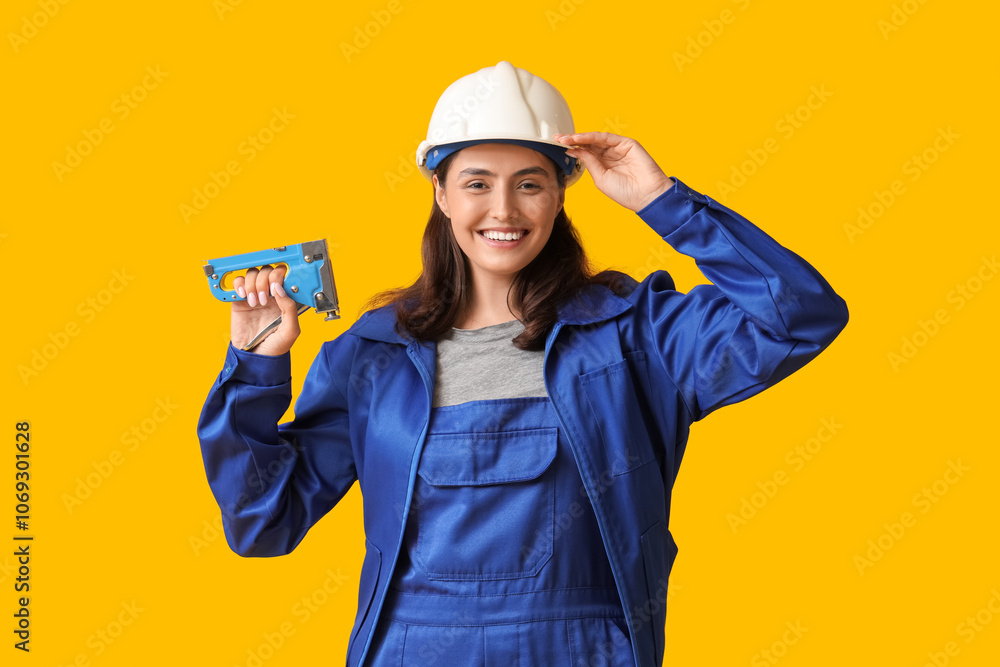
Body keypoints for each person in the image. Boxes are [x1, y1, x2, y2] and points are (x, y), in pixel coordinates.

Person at [197, 61, 849, 667]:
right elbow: (263, 520)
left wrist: (662, 200)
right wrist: (254, 370)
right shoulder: (373, 355)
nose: (503, 211)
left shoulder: (636, 334)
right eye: (477, 183)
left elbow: (800, 315)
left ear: (561, 195)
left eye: (529, 184)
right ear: (442, 194)